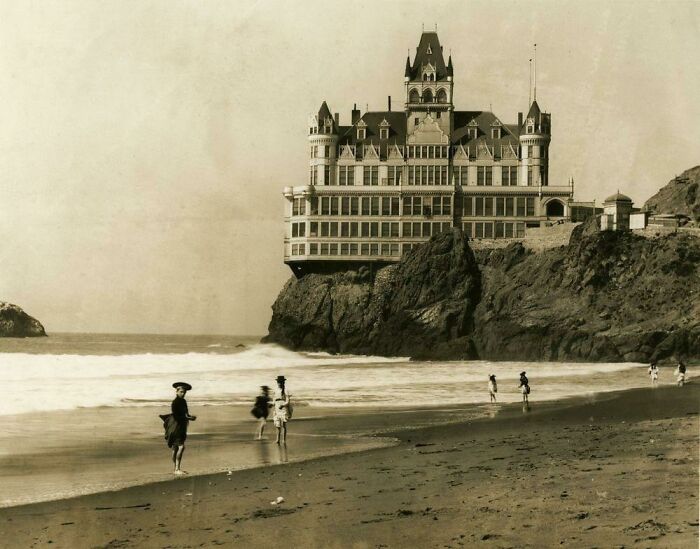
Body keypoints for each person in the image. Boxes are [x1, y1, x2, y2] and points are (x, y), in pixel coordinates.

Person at [159, 382, 197, 475]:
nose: (183, 394)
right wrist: (188, 418)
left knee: (175, 448)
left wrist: (190, 417)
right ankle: (177, 469)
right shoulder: (175, 402)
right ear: (176, 392)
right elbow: (176, 416)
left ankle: (176, 468)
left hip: (182, 426)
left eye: (184, 392)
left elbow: (186, 413)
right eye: (181, 392)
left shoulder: (184, 401)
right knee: (181, 447)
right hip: (176, 426)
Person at [273, 375, 291, 445]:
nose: (279, 383)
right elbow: (274, 399)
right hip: (277, 407)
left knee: (283, 425)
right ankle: (277, 439)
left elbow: (288, 401)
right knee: (277, 425)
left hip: (283, 408)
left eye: (280, 382)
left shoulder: (286, 390)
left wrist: (283, 405)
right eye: (278, 382)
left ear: (283, 382)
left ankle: (284, 440)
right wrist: (272, 404)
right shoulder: (276, 390)